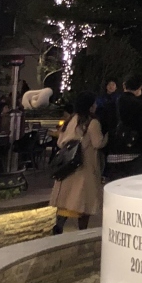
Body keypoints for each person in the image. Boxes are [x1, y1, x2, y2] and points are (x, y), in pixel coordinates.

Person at [50, 92, 107, 233]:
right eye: (94, 103)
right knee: (83, 202)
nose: (95, 105)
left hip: (67, 166)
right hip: (84, 166)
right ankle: (82, 232)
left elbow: (59, 142)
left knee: (65, 201)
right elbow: (97, 143)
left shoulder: (70, 120)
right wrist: (107, 137)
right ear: (90, 106)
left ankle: (59, 228)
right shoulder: (92, 123)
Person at [104, 75, 142, 180]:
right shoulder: (141, 105)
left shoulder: (111, 104)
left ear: (124, 86)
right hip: (133, 155)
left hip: (112, 155)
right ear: (140, 87)